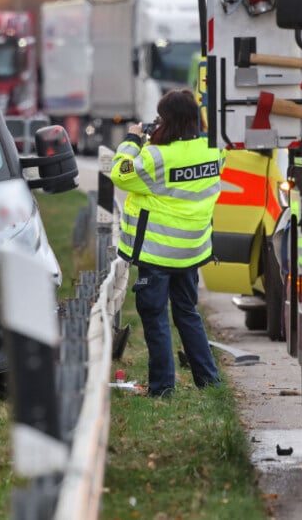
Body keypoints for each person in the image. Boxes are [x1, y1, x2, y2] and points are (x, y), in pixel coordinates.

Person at [110, 88, 224, 397]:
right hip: (190, 252)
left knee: (156, 317)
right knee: (187, 313)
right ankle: (209, 382)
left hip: (156, 254)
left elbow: (120, 174)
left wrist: (133, 140)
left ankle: (162, 389)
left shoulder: (156, 157)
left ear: (167, 120)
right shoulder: (214, 150)